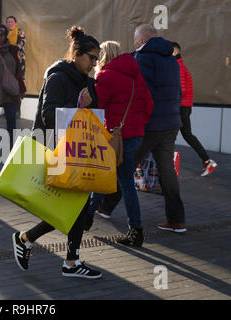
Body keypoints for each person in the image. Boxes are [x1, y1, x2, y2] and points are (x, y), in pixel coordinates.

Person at [12, 26, 103, 279]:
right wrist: (79, 105)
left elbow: (89, 115)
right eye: (91, 58)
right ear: (76, 53)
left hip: (77, 151)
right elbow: (48, 116)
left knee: (77, 207)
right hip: (56, 151)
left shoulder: (86, 80)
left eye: (97, 59)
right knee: (71, 207)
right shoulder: (58, 77)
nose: (95, 63)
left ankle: (68, 261)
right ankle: (31, 241)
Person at [92, 41, 153, 246]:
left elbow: (96, 106)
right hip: (135, 135)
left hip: (116, 137)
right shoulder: (136, 76)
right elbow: (148, 105)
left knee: (122, 182)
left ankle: (135, 230)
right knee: (115, 178)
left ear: (103, 56)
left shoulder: (105, 76)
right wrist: (137, 125)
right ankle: (87, 217)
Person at [132, 24, 186, 233]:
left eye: (135, 41)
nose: (134, 44)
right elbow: (178, 92)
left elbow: (143, 95)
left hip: (151, 124)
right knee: (168, 171)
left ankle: (104, 207)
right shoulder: (172, 59)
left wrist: (140, 120)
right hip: (171, 123)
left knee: (126, 164)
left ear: (142, 40)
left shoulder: (144, 57)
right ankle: (176, 220)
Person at [172, 41, 217, 177]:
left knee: (171, 136)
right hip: (183, 106)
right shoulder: (180, 66)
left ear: (174, 52)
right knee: (186, 135)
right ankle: (207, 161)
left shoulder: (178, 67)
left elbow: (181, 90)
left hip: (181, 107)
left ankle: (168, 166)